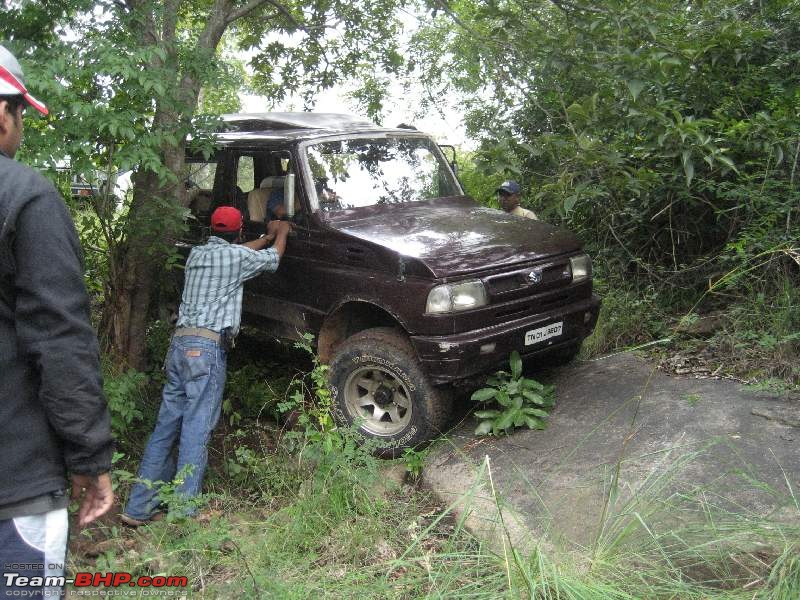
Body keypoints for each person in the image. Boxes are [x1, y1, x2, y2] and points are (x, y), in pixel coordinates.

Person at [0, 45, 114, 597]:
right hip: (13, 484)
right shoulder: (24, 195)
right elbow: (58, 337)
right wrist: (89, 457)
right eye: (21, 115)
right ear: (4, 114)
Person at [121, 206, 291, 526]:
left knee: (165, 427)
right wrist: (280, 233)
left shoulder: (198, 255)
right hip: (205, 350)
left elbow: (235, 251)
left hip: (179, 348)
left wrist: (264, 237)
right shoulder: (235, 258)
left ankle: (138, 507)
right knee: (196, 429)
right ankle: (183, 513)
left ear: (212, 230)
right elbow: (273, 259)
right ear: (239, 232)